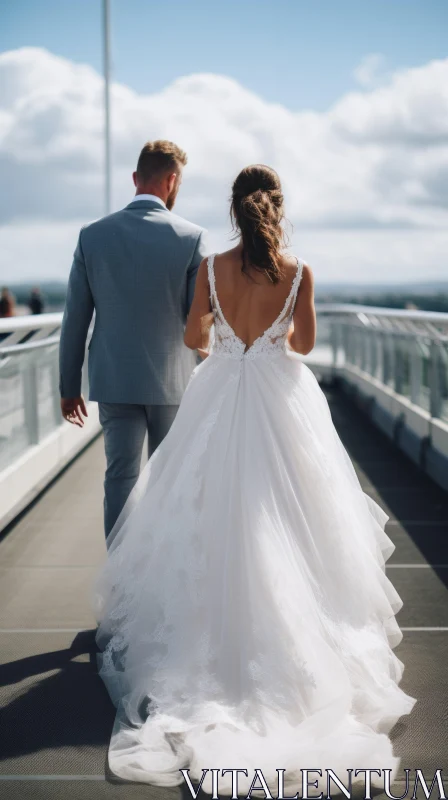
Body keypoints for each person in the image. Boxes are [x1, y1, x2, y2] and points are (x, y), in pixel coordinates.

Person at [93, 164, 416, 794]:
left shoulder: (211, 267)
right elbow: (303, 344)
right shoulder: (299, 273)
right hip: (279, 398)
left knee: (203, 507)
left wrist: (225, 337)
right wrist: (268, 337)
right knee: (293, 514)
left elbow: (194, 337)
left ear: (234, 211)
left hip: (218, 392)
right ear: (275, 209)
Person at [59, 140, 208, 538]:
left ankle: (119, 577)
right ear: (172, 181)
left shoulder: (92, 236)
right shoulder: (192, 238)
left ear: (135, 178)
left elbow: (75, 317)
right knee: (168, 478)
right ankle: (161, 570)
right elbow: (199, 324)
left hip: (115, 379)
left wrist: (68, 386)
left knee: (120, 476)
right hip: (174, 379)